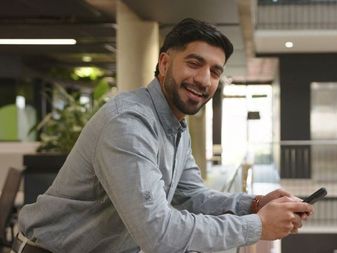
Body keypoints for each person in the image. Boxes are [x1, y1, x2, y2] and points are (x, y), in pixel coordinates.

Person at [15, 18, 313, 253]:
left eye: (215, 71)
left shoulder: (175, 127)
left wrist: (253, 203)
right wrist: (257, 226)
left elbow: (192, 196)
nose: (204, 79)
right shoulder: (129, 123)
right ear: (165, 64)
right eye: (194, 63)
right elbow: (157, 232)